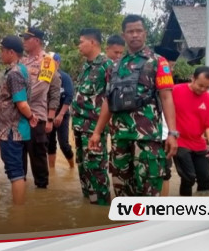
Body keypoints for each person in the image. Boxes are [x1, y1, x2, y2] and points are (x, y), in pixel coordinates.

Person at [89, 14, 178, 197]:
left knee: (149, 190)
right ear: (124, 35)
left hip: (147, 139)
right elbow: (108, 100)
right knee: (122, 191)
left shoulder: (158, 62)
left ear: (145, 33)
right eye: (130, 31)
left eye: (138, 31)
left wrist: (172, 133)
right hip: (120, 138)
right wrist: (97, 132)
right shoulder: (113, 66)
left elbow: (167, 98)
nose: (135, 35)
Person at [0, 35, 38, 205]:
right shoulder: (19, 70)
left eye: (2, 50)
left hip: (12, 130)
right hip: (12, 129)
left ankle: (18, 212)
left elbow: (21, 102)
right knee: (16, 169)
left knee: (15, 172)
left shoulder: (15, 73)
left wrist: (31, 116)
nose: (0, 54)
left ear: (11, 52)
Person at [72, 28, 114, 205]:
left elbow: (110, 98)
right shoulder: (86, 66)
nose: (79, 45)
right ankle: (89, 205)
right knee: (83, 166)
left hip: (94, 126)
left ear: (93, 42)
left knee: (96, 168)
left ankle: (101, 208)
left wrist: (102, 128)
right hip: (79, 125)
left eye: (81, 42)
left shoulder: (107, 65)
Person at [20, 27, 61, 189]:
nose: (24, 41)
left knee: (38, 157)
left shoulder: (47, 61)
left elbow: (42, 88)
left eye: (26, 38)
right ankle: (19, 187)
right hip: (18, 116)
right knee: (19, 156)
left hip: (36, 117)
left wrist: (18, 99)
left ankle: (42, 191)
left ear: (36, 40)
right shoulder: (21, 61)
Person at [173, 66, 209, 196]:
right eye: (200, 85)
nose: (203, 89)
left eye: (207, 87)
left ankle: (201, 208)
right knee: (189, 177)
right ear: (192, 78)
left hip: (199, 143)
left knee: (206, 180)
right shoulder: (176, 91)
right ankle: (184, 208)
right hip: (179, 141)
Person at [154, 46, 180, 196]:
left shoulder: (171, 86)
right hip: (152, 133)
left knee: (165, 172)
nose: (171, 68)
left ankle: (162, 206)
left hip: (165, 134)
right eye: (171, 65)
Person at [47, 53, 74, 169]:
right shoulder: (44, 77)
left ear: (58, 62)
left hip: (62, 113)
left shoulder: (65, 77)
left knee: (64, 144)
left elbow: (69, 96)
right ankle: (52, 171)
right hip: (48, 115)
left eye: (53, 61)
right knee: (50, 144)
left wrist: (61, 115)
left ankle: (72, 167)